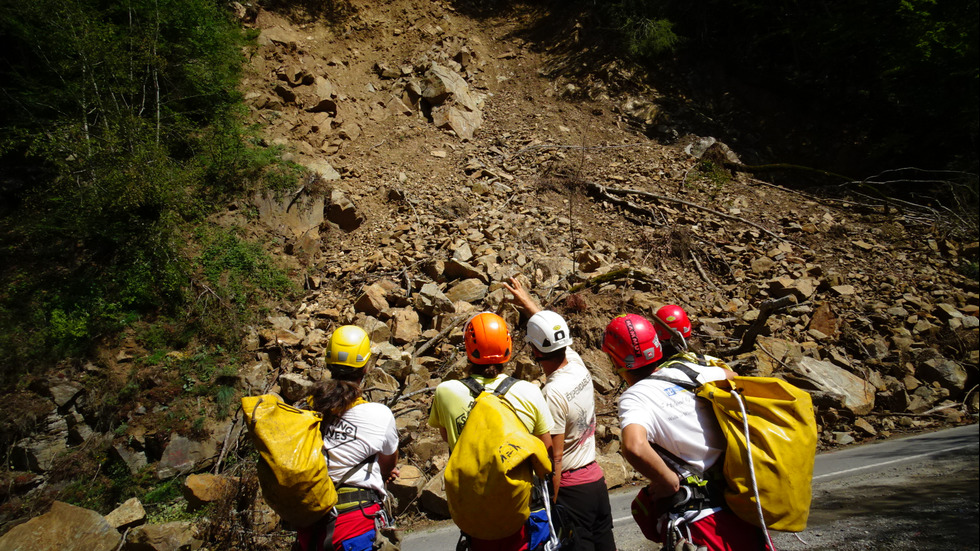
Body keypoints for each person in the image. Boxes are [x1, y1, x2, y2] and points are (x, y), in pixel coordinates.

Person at [602, 313, 772, 551]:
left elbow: (635, 446)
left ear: (615, 359)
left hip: (702, 521)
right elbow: (733, 378)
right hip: (742, 503)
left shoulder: (635, 396)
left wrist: (669, 482)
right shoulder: (687, 371)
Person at [503, 277, 617, 551]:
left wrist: (552, 505)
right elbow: (552, 334)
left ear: (533, 350)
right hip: (595, 483)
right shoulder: (576, 364)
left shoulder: (552, 393)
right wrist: (528, 301)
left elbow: (554, 458)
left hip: (570, 490)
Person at [427, 311, 555, 551]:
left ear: (469, 348)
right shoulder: (529, 391)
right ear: (508, 347)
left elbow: (448, 438)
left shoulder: (446, 392)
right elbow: (546, 451)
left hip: (475, 510)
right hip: (522, 507)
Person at [295, 325, 400, 551]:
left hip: (311, 530)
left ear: (328, 363)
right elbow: (388, 464)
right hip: (356, 527)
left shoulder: (306, 411)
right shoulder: (379, 415)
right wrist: (383, 473)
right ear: (366, 368)